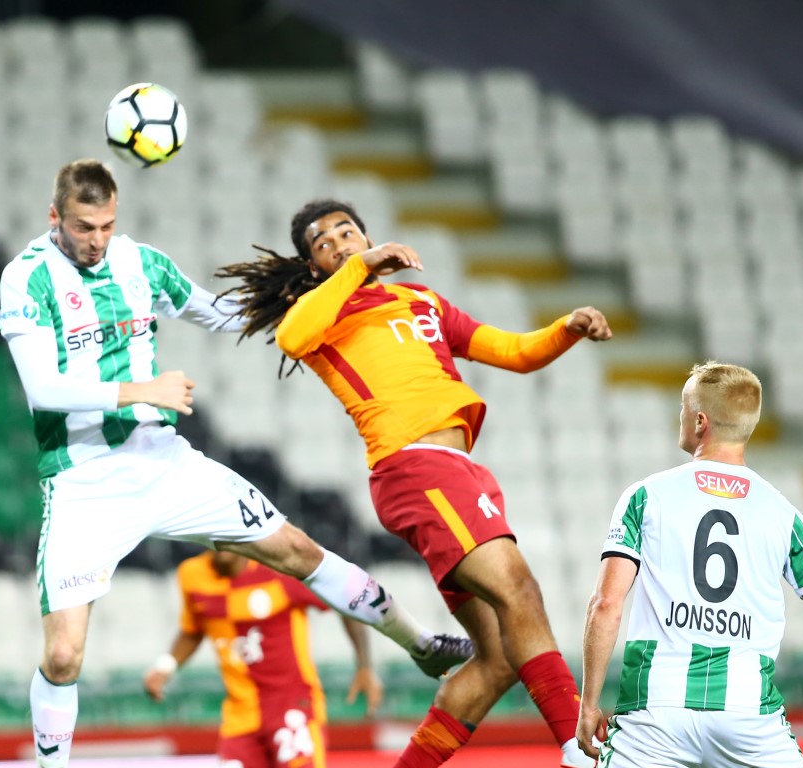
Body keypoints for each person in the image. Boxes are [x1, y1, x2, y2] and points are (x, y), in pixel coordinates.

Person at [0, 160, 472, 768]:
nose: (97, 241)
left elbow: (220, 313)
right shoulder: (26, 278)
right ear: (54, 217)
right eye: (84, 228)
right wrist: (142, 391)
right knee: (63, 657)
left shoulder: (141, 263)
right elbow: (43, 390)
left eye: (107, 226)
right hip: (83, 478)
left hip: (163, 462)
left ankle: (422, 644)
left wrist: (318, 288)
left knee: (297, 550)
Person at [217, 199, 613, 768]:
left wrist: (565, 329)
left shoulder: (421, 301)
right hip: (416, 467)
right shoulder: (321, 312)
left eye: (347, 233)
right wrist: (362, 266)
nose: (340, 245)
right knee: (520, 591)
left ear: (366, 234)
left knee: (499, 658)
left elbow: (512, 351)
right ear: (313, 267)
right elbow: (291, 337)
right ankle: (581, 751)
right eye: (324, 244)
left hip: (455, 470)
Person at [577, 362, 803, 767]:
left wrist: (589, 704)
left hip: (655, 711)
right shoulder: (783, 514)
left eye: (683, 406)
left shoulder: (646, 496)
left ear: (700, 421)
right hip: (748, 714)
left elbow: (606, 604)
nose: (679, 415)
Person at [144, 550, 383, 768]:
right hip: (240, 716)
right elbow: (194, 628)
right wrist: (166, 666)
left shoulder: (280, 568)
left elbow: (342, 596)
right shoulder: (192, 575)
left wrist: (364, 667)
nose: (221, 540)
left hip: (292, 705)